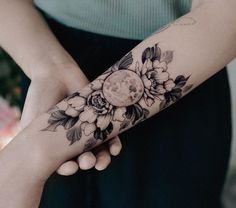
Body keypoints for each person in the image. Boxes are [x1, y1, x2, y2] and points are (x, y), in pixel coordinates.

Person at [0, 0, 235, 207]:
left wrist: (33, 152)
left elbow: (226, 12)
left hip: (182, 71)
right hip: (46, 54)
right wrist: (48, 68)